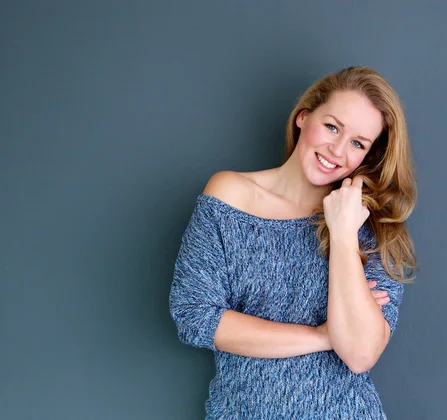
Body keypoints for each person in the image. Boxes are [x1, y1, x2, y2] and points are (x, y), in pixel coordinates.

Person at [168, 66, 417, 419]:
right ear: (304, 116)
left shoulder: (373, 226)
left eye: (357, 143)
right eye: (332, 126)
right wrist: (323, 337)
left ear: (368, 155)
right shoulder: (229, 196)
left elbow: (360, 354)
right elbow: (194, 317)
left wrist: (343, 234)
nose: (338, 149)